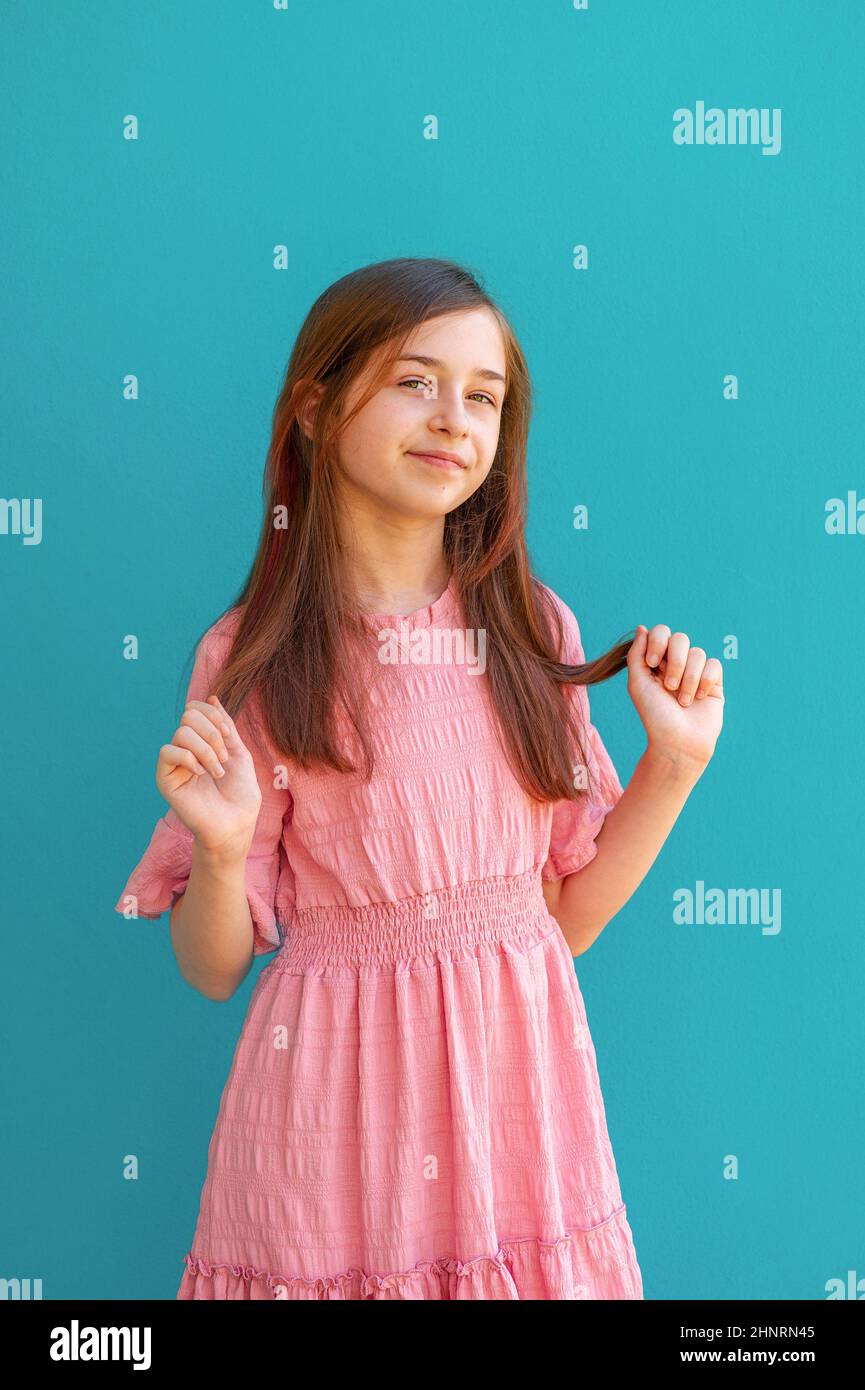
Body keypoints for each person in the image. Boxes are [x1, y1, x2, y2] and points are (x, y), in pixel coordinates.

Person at [114, 256, 724, 1300]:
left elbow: (556, 921)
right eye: (415, 380)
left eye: (481, 397)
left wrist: (674, 762)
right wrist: (220, 850)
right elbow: (211, 967)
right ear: (314, 408)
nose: (453, 418)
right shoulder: (256, 656)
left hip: (517, 1121)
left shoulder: (531, 627)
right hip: (331, 1133)